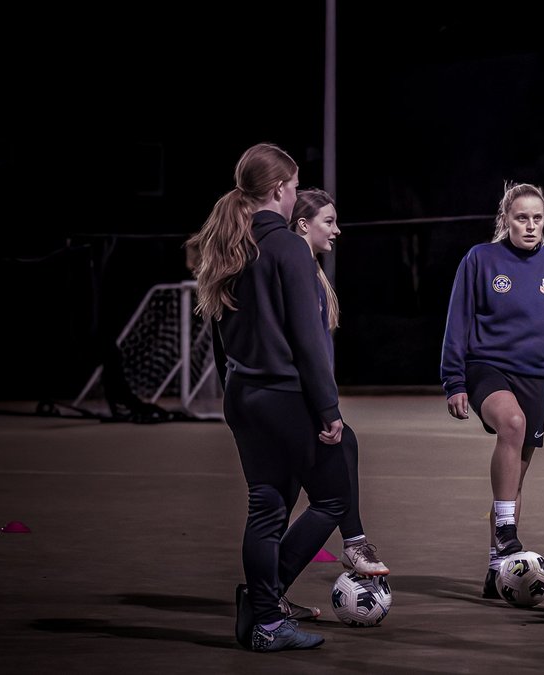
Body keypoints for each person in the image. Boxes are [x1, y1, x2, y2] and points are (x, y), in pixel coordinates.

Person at [186, 143, 348, 652]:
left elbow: (216, 335)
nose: (296, 194)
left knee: (267, 505)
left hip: (243, 394)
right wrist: (328, 409)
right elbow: (307, 338)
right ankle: (263, 606)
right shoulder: (287, 249)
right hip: (284, 397)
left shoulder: (228, 245)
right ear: (279, 189)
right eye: (296, 186)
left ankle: (264, 619)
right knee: (333, 498)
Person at [440, 182, 544, 601]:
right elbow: (457, 321)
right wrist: (454, 380)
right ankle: (506, 532)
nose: (531, 225)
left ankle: (496, 570)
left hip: (535, 377)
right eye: (522, 217)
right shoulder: (481, 259)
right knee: (513, 423)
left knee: (514, 481)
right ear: (505, 219)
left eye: (538, 218)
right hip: (487, 369)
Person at [274, 188, 390, 619]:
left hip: (289, 401)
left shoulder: (309, 271)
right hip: (294, 403)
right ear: (303, 224)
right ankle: (354, 543)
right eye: (329, 221)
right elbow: (305, 347)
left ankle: (267, 597)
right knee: (329, 489)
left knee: (277, 506)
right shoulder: (296, 267)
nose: (337, 229)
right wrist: (326, 407)